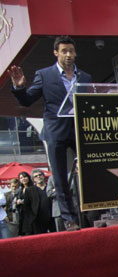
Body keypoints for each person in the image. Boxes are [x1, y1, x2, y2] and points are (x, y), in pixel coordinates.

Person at [9, 36, 92, 231]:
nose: (68, 55)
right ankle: (68, 218)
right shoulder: (44, 75)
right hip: (56, 132)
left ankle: (95, 211)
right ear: (56, 53)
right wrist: (19, 87)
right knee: (60, 177)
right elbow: (27, 100)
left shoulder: (85, 77)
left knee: (92, 169)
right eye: (64, 51)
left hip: (80, 130)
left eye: (71, 51)